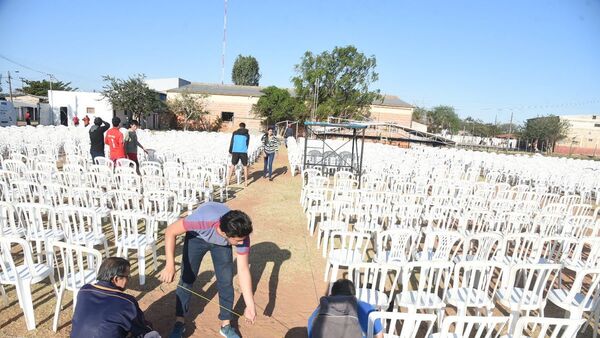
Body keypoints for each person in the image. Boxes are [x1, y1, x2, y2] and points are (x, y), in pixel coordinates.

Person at [159, 202, 256, 338]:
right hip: (197, 237)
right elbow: (170, 231)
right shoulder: (201, 220)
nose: (242, 243)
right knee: (187, 279)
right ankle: (179, 322)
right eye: (239, 241)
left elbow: (243, 269)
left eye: (243, 240)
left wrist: (250, 305)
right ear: (225, 233)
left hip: (221, 244)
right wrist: (170, 264)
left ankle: (226, 325)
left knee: (226, 280)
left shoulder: (241, 236)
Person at [70, 257, 160, 338]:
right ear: (116, 279)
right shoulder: (127, 302)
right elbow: (142, 330)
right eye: (128, 276)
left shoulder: (84, 290)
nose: (128, 280)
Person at [307, 279, 383, 338]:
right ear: (354, 295)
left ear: (332, 294)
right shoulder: (366, 308)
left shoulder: (318, 312)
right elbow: (379, 335)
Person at [227, 122, 250, 187]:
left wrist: (230, 151)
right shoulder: (247, 134)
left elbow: (232, 142)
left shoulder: (234, 133)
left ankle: (228, 181)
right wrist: (244, 149)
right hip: (243, 151)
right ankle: (246, 182)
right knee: (245, 166)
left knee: (232, 165)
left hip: (235, 151)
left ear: (239, 126)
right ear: (244, 127)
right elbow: (247, 144)